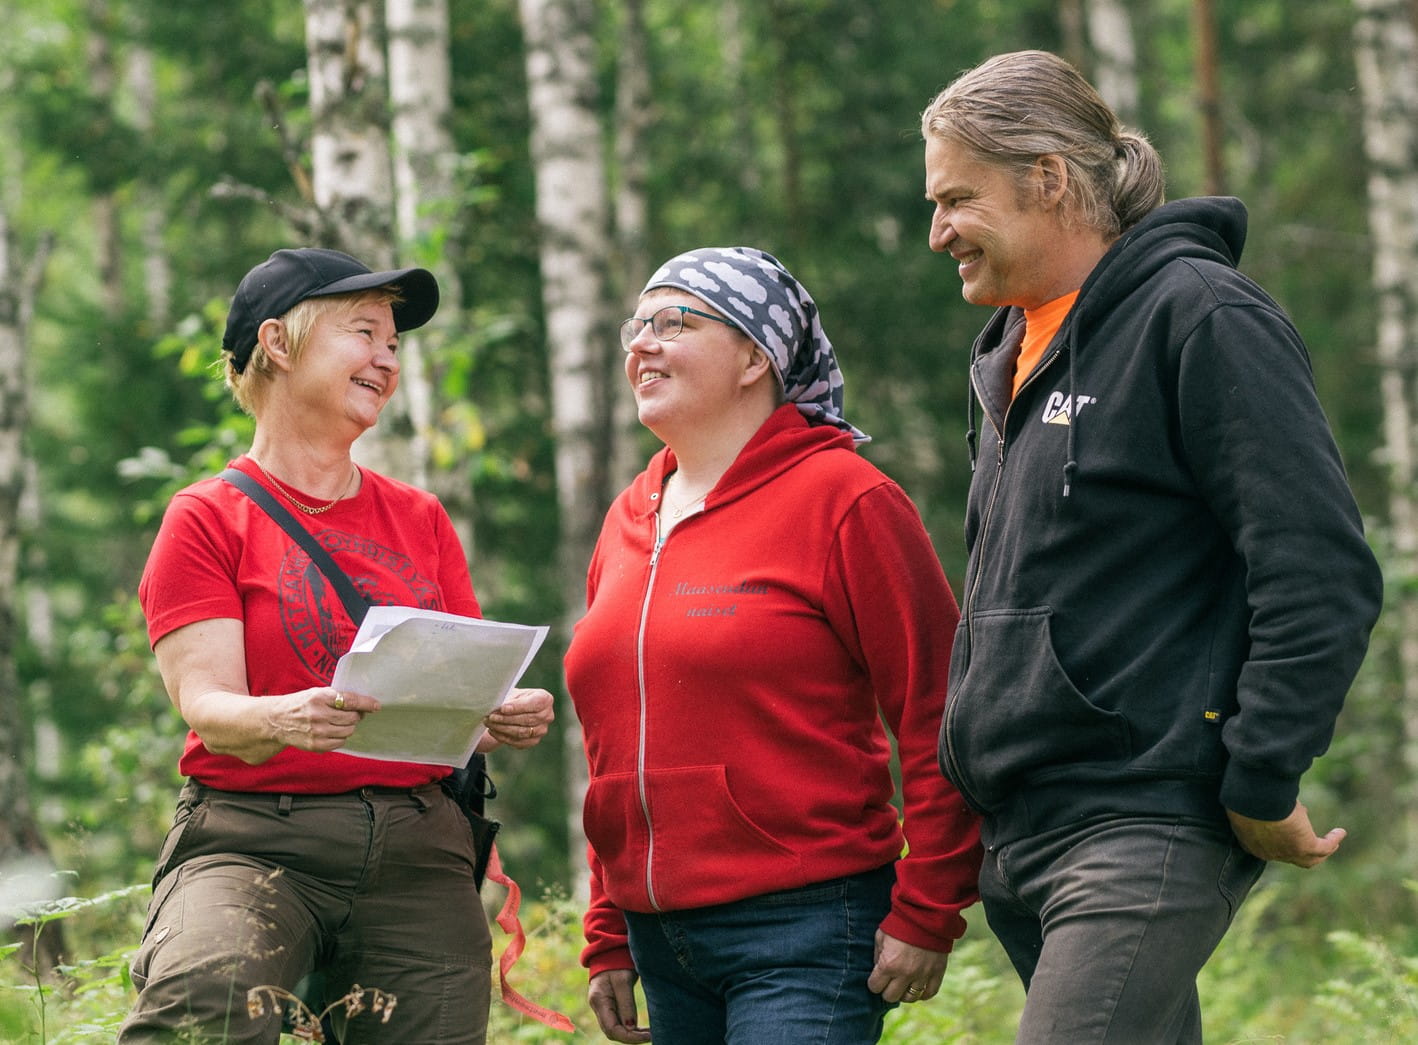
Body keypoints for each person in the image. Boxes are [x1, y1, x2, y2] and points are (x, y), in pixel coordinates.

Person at [922, 50, 1384, 1044]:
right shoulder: (1006, 353)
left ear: (1045, 176)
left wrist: (1260, 771)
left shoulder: (1200, 316)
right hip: (1024, 834)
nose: (936, 232)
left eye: (956, 198)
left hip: (1142, 820)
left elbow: (1317, 567)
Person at [117, 247, 555, 1045]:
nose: (388, 358)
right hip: (253, 840)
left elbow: (457, 709)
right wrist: (285, 717)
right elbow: (209, 709)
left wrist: (503, 713)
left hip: (419, 845)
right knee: (202, 1011)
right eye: (365, 333)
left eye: (394, 343)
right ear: (279, 344)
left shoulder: (420, 517)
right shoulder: (206, 517)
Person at [563, 246, 983, 1044]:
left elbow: (939, 710)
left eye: (673, 322)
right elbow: (615, 748)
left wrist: (931, 902)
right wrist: (608, 925)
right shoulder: (628, 517)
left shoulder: (848, 499)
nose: (641, 345)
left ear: (757, 354)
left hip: (806, 926)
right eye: (636, 326)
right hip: (660, 941)